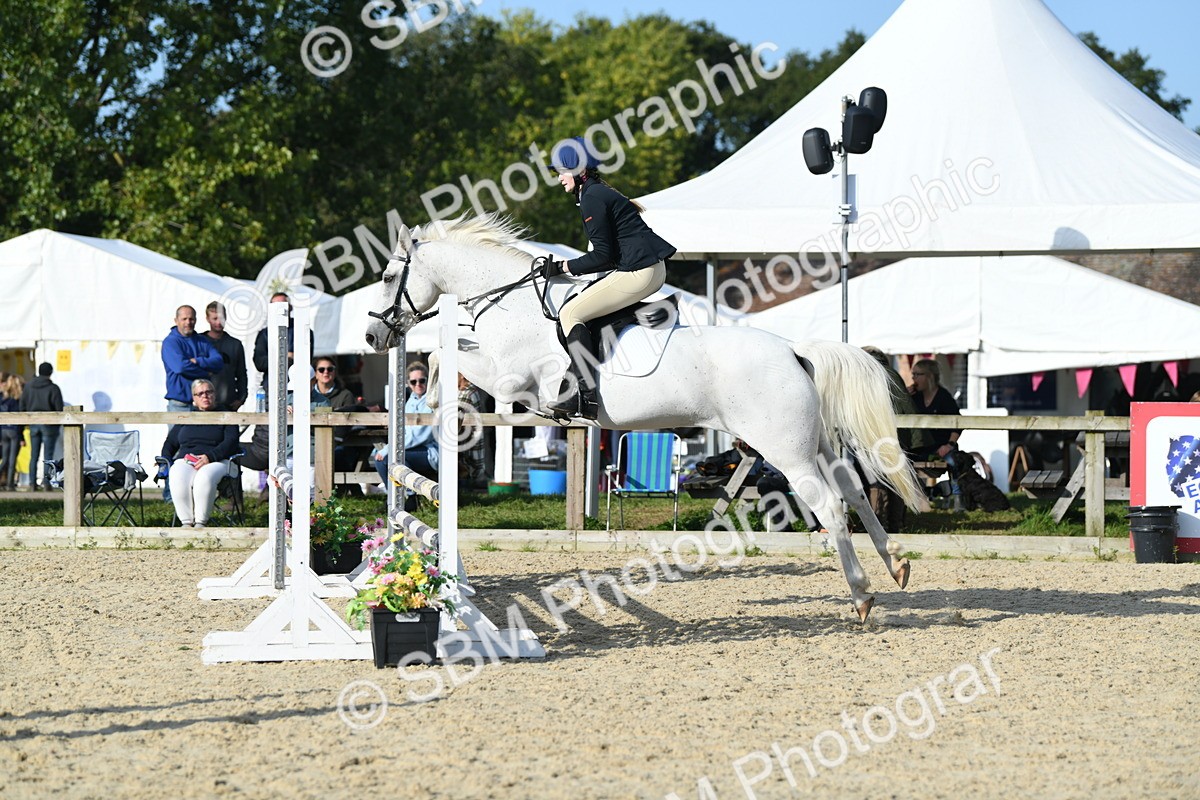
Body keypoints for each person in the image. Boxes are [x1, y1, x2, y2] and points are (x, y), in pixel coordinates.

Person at [540, 136, 676, 420]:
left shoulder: (592, 198)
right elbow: (610, 256)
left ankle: (586, 398)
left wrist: (563, 267)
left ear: (579, 171)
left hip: (640, 272)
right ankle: (644, 313)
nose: (559, 179)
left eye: (562, 172)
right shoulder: (594, 193)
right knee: (589, 308)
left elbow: (602, 256)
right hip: (648, 269)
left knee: (570, 314)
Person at [160, 379, 239, 527]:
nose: (205, 396)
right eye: (200, 393)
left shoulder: (227, 415)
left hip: (218, 460)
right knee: (177, 473)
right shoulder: (188, 417)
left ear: (215, 394)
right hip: (188, 459)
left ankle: (201, 523)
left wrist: (210, 457)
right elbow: (170, 442)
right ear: (194, 399)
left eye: (208, 392)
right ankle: (186, 523)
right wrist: (164, 459)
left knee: (204, 477)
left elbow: (231, 442)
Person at [908, 358, 965, 510]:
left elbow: (958, 423)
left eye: (917, 375)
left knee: (954, 461)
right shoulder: (914, 396)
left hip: (942, 447)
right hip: (920, 448)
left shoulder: (943, 397)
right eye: (912, 374)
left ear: (929, 376)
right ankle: (920, 499)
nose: (913, 379)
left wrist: (949, 444)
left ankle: (958, 500)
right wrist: (904, 396)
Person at [373, 361, 439, 485]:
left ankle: (408, 497)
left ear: (428, 381)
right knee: (381, 460)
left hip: (431, 451)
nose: (418, 384)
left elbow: (419, 436)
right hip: (411, 448)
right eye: (414, 382)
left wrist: (390, 448)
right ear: (408, 383)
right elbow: (402, 431)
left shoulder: (433, 402)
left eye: (422, 380)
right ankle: (394, 500)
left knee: (392, 458)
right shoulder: (410, 401)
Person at [162, 305, 223, 415]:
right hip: (180, 404)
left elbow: (218, 361)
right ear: (176, 321)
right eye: (184, 319)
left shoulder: (202, 341)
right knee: (178, 433)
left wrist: (199, 361)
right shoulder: (170, 342)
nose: (188, 322)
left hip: (203, 404)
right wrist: (206, 373)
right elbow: (180, 367)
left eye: (191, 319)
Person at [253, 292, 314, 390]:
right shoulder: (264, 334)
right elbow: (260, 363)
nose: (279, 309)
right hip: (271, 387)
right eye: (275, 305)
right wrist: (286, 355)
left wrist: (276, 358)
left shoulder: (302, 331)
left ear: (290, 307)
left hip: (298, 388)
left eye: (282, 304)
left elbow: (305, 360)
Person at [20, 363, 64, 490]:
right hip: (49, 425)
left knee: (34, 456)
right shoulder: (53, 388)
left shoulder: (28, 387)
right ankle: (46, 482)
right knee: (48, 456)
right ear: (50, 372)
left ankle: (32, 483)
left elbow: (22, 405)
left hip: (33, 423)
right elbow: (59, 408)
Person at [203, 301, 248, 412]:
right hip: (203, 404)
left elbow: (241, 374)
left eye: (221, 318)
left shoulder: (235, 344)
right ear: (208, 319)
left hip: (228, 404)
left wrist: (241, 398)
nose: (218, 322)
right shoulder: (199, 342)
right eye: (214, 318)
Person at [0, 375, 24, 490]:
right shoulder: (17, 400)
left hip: (4, 430)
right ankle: (10, 484)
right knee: (12, 459)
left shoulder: (3, 399)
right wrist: (21, 436)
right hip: (14, 431)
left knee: (4, 459)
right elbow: (19, 421)